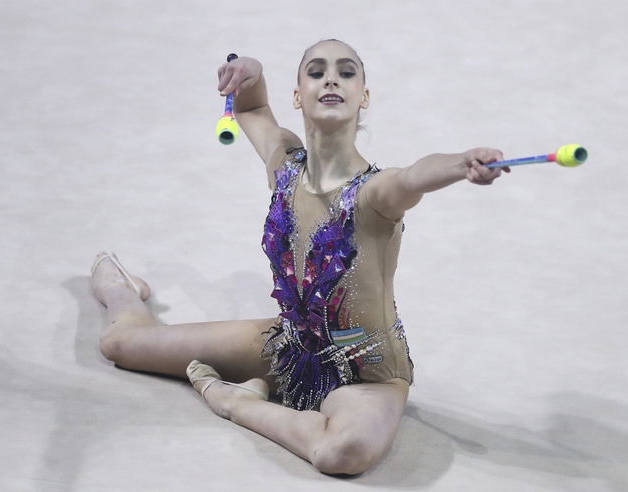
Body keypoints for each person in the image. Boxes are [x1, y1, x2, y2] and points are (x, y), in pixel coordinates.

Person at [91, 39, 507, 476]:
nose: (331, 78)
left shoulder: (376, 193)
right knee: (118, 344)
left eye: (347, 72)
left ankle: (236, 402)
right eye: (316, 71)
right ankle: (120, 288)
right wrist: (251, 73)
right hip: (289, 344)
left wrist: (461, 163)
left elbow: (414, 176)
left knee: (343, 452)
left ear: (364, 96)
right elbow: (252, 110)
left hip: (367, 370)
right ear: (298, 96)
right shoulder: (284, 166)